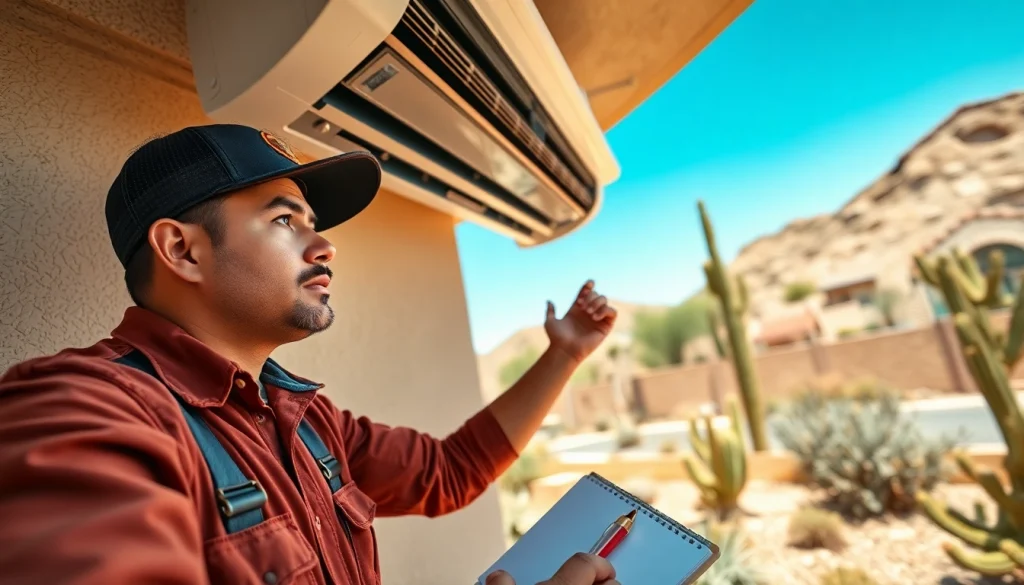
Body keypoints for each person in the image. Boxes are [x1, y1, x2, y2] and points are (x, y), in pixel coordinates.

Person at [0, 124, 618, 585]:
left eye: (313, 222)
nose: (323, 246)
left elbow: (449, 471)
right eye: (283, 220)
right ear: (183, 251)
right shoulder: (80, 412)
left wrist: (562, 356)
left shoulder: (306, 421)